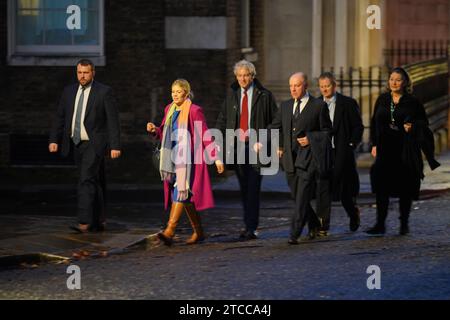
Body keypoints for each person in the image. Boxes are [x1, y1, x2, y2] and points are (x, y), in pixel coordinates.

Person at [147, 79, 224, 246]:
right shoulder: (169, 109)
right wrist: (155, 130)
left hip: (188, 160)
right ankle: (199, 232)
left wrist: (216, 157)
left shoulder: (195, 111)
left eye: (178, 91)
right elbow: (164, 132)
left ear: (186, 93)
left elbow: (204, 135)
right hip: (171, 157)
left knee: (180, 191)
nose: (175, 94)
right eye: (173, 91)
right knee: (186, 197)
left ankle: (170, 230)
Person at [49, 59, 121, 233]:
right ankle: (99, 219)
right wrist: (53, 139)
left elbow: (112, 120)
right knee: (94, 181)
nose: (82, 76)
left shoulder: (104, 92)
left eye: (86, 72)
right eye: (79, 72)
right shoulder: (69, 91)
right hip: (76, 143)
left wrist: (115, 145)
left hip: (94, 143)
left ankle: (84, 221)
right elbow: (60, 116)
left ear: (93, 73)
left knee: (85, 179)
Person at [367, 67, 440, 235]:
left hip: (405, 149)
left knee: (405, 186)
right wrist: (374, 144)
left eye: (398, 79)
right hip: (385, 148)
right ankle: (380, 223)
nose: (394, 82)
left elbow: (424, 123)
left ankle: (404, 223)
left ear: (405, 82)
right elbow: (374, 122)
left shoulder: (413, 102)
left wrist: (413, 127)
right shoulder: (382, 100)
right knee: (381, 185)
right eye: (391, 79)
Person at [216, 60, 278, 241]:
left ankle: (252, 226)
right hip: (237, 148)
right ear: (236, 77)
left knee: (253, 188)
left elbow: (275, 122)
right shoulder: (232, 95)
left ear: (253, 76)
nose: (243, 78)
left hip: (256, 149)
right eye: (240, 75)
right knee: (244, 189)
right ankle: (248, 224)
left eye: (246, 75)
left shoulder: (264, 96)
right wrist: (216, 141)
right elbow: (222, 119)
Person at [270, 72, 332, 245]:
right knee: (298, 197)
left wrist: (311, 139)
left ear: (305, 86)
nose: (293, 89)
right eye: (291, 86)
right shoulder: (285, 106)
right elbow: (276, 127)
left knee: (302, 197)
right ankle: (314, 224)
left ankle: (294, 233)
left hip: (308, 160)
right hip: (289, 160)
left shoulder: (318, 106)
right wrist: (278, 145)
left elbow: (327, 132)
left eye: (296, 85)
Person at [318, 72, 364, 234]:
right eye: (322, 86)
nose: (324, 89)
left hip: (342, 153)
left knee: (345, 193)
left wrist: (351, 144)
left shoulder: (348, 103)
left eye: (327, 86)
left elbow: (358, 126)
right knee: (324, 190)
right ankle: (323, 225)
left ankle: (353, 214)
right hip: (324, 154)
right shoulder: (315, 104)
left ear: (334, 85)